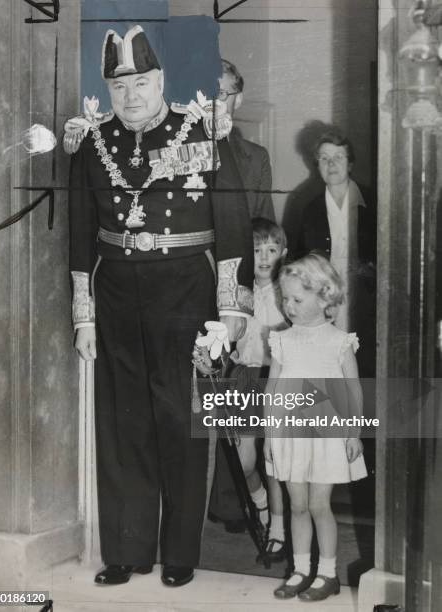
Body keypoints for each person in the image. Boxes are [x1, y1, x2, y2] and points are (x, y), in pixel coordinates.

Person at [66, 26, 253, 587]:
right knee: (125, 427)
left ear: (161, 81)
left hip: (185, 293)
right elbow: (79, 233)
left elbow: (233, 222)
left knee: (178, 421)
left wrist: (231, 310)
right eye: (119, 86)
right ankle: (126, 550)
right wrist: (84, 314)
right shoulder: (93, 143)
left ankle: (178, 552)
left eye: (142, 82)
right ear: (108, 88)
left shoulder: (200, 130)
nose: (131, 95)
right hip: (118, 293)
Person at [265, 253, 367, 601]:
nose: (288, 306)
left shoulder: (339, 341)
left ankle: (327, 573)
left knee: (320, 504)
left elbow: (353, 390)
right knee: (297, 504)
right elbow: (273, 390)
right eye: (284, 299)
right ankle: (299, 569)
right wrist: (269, 433)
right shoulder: (282, 340)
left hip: (326, 435)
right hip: (290, 434)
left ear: (324, 297)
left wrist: (353, 432)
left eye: (297, 299)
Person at [208, 218, 288, 559]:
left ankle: (281, 528)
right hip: (244, 377)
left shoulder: (287, 291)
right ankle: (263, 508)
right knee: (245, 462)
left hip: (279, 377)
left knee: (278, 459)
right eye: (257, 251)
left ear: (284, 253)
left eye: (272, 250)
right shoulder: (236, 293)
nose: (265, 258)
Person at [294, 131, 376, 376]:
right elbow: (300, 262)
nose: (332, 164)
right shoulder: (309, 209)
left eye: (339, 157)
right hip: (327, 303)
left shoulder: (375, 202)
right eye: (324, 158)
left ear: (350, 163)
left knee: (366, 365)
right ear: (316, 165)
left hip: (367, 300)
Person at [219, 59, 275, 221]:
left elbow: (265, 229)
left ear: (237, 100)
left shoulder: (257, 158)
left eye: (221, 94)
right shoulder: (177, 151)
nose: (211, 103)